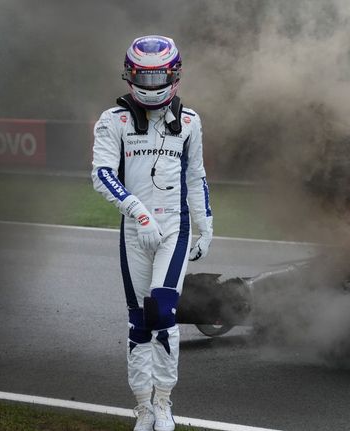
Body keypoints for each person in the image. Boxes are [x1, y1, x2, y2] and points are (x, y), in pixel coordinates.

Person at [91, 35, 213, 431]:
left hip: (174, 228)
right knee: (139, 321)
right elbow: (101, 174)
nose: (151, 83)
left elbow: (197, 178)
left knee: (163, 309)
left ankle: (165, 402)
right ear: (129, 76)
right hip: (134, 231)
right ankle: (143, 406)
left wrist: (205, 225)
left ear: (173, 75)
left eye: (159, 74)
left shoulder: (191, 122)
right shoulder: (114, 120)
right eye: (143, 75)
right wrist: (137, 211)